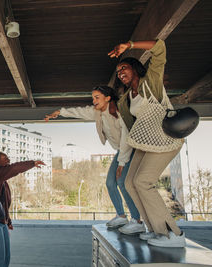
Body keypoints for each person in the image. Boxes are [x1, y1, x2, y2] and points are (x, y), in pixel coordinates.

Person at [109, 39, 185, 247]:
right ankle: (153, 228)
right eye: (117, 71)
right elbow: (128, 132)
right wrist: (123, 161)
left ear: (135, 68)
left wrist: (129, 45)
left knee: (143, 182)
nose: (120, 72)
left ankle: (172, 234)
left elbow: (159, 48)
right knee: (128, 182)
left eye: (123, 67)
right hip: (145, 143)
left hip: (166, 139)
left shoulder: (151, 81)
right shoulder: (125, 100)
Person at [45, 86, 143, 234]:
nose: (94, 100)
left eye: (97, 97)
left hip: (131, 148)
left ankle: (137, 220)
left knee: (122, 182)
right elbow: (80, 111)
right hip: (120, 151)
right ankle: (121, 216)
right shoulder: (97, 113)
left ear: (108, 98)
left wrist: (122, 163)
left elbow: (126, 138)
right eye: (93, 97)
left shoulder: (119, 111)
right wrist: (60, 112)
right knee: (110, 183)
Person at [0, 152, 45, 267]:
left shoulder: (2, 180)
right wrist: (32, 163)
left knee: (5, 259)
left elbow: (2, 203)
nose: (8, 160)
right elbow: (14, 169)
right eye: (5, 158)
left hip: (0, 221)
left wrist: (8, 221)